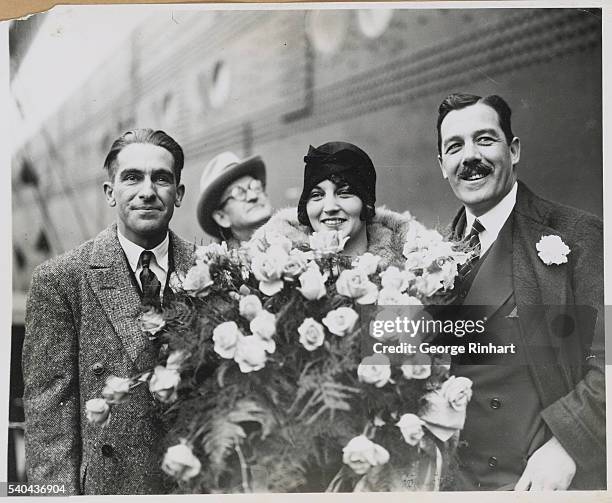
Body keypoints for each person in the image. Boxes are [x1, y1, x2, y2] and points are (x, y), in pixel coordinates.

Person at [436, 93, 605, 490]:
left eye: (485, 140)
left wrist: (567, 444)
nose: (469, 157)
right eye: (454, 146)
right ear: (441, 165)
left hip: (540, 481)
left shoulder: (578, 235)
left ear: (513, 150)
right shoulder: (430, 255)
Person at [22, 129, 196, 495]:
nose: (147, 191)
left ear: (178, 194)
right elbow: (49, 415)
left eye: (161, 178)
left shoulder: (207, 269)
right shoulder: (62, 279)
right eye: (132, 177)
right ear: (110, 192)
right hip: (108, 490)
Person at [255, 141, 413, 269]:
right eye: (317, 195)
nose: (330, 207)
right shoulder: (277, 271)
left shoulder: (415, 264)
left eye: (344, 193)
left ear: (367, 203)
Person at [197, 151, 273, 249]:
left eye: (255, 187)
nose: (253, 196)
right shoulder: (224, 263)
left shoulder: (296, 238)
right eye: (238, 193)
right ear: (222, 217)